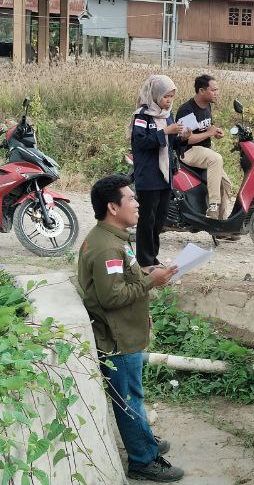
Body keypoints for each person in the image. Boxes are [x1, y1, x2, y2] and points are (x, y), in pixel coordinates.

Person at [77, 174, 184, 482]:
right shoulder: (108, 248)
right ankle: (143, 460)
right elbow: (112, 297)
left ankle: (143, 440)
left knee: (132, 394)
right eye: (131, 199)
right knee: (129, 400)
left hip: (124, 330)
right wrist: (152, 281)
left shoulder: (112, 238)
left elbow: (123, 280)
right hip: (117, 338)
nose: (137, 204)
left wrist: (148, 273)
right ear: (113, 207)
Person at [131, 75, 187, 267]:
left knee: (159, 219)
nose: (169, 101)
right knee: (147, 219)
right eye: (165, 96)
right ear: (155, 95)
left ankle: (153, 257)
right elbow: (140, 142)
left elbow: (171, 144)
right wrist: (164, 132)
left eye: (171, 97)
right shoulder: (143, 115)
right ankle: (144, 261)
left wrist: (183, 138)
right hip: (149, 174)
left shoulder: (168, 115)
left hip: (165, 175)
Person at [175, 75, 232, 219]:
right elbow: (187, 139)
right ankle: (213, 206)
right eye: (213, 90)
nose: (217, 93)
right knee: (216, 159)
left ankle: (221, 223)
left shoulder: (207, 106)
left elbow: (205, 129)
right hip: (188, 151)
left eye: (217, 89)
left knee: (226, 183)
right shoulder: (187, 110)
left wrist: (215, 132)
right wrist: (208, 133)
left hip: (204, 151)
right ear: (201, 90)